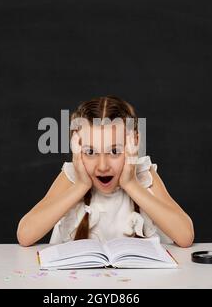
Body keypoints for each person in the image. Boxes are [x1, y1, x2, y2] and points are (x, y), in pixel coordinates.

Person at [17, 96, 194, 247]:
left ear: (134, 143)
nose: (102, 166)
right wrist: (80, 186)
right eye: (91, 152)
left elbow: (185, 236)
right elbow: (25, 235)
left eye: (115, 151)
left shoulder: (142, 175)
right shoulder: (72, 176)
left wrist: (131, 184)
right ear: (76, 146)